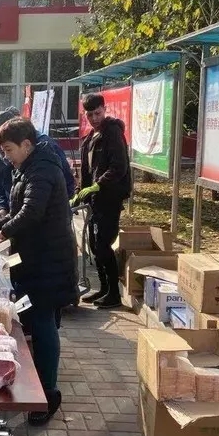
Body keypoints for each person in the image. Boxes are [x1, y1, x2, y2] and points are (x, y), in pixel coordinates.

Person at [0, 118, 77, 426]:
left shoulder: (43, 167)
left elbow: (32, 211)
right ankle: (36, 383)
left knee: (44, 323)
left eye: (9, 149)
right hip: (34, 258)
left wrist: (3, 231)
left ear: (26, 144)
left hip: (48, 260)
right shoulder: (27, 166)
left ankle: (48, 393)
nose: (6, 156)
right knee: (37, 321)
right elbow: (19, 207)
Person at [71, 93, 132, 309]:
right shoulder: (90, 138)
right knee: (94, 245)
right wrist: (79, 192)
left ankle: (114, 294)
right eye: (90, 115)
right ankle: (103, 288)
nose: (94, 118)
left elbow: (119, 167)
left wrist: (99, 185)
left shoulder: (112, 132)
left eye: (97, 113)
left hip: (110, 198)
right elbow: (87, 171)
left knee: (104, 244)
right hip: (95, 199)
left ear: (104, 110)